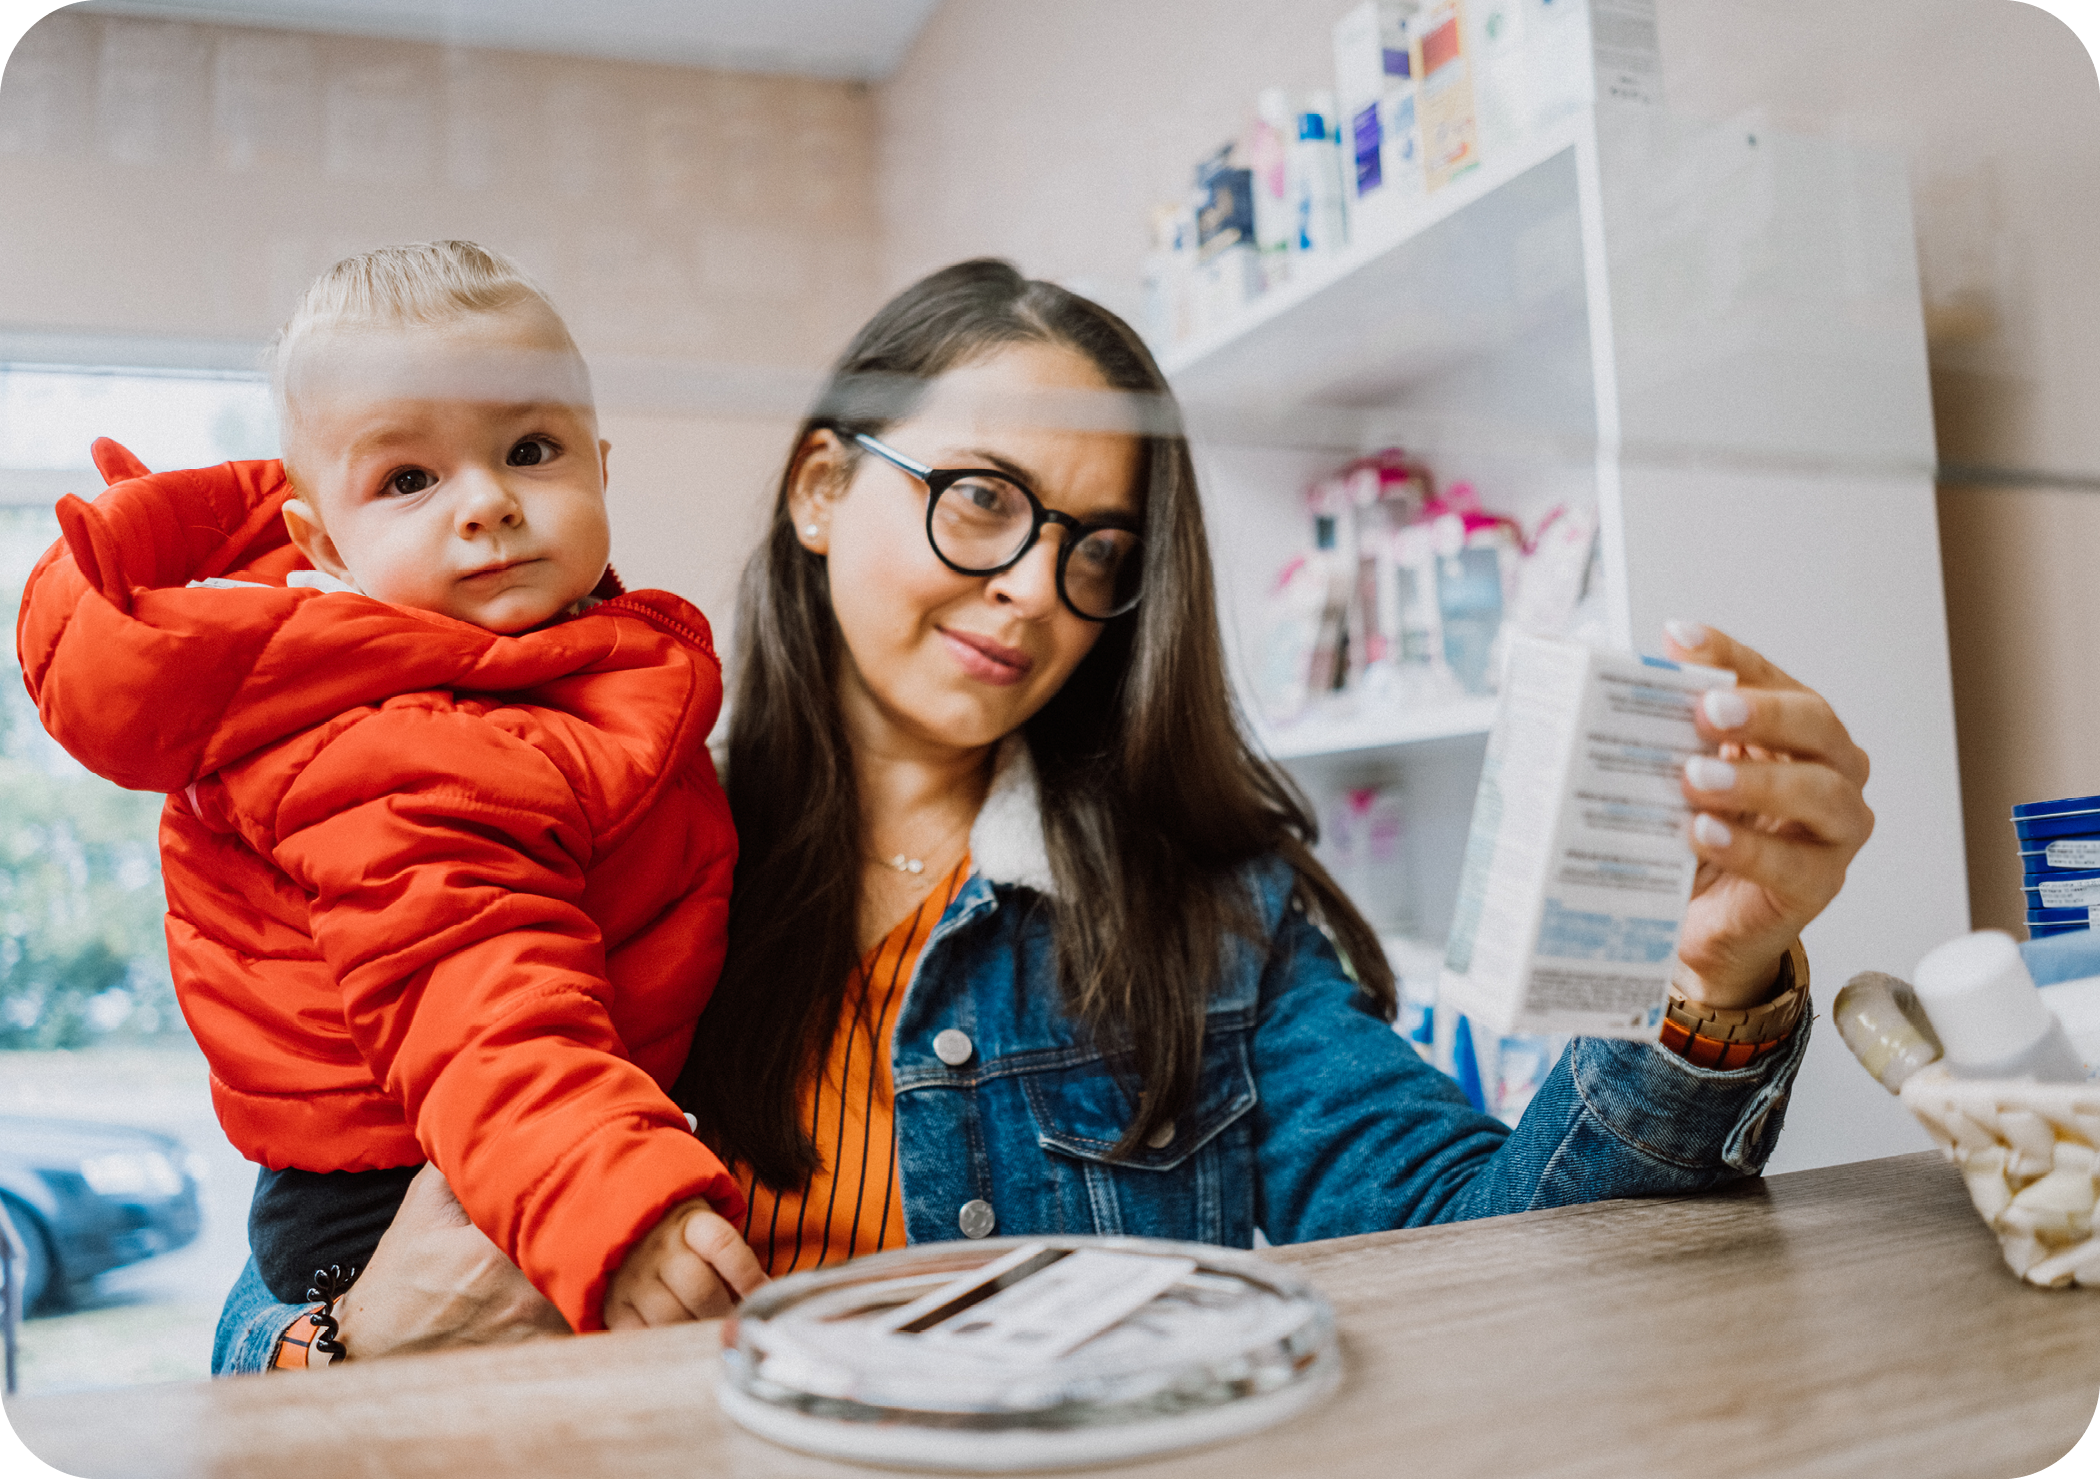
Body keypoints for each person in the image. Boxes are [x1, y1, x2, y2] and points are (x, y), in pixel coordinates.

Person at [212, 258, 1873, 1370]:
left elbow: (1510, 1255)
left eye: (1096, 548)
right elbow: (270, 1310)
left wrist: (1709, 983)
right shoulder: (579, 846)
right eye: (982, 500)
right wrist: (347, 1335)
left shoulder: (1210, 916)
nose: (1034, 589)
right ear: (821, 487)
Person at [17, 241, 768, 1355]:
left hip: (521, 1128)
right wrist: (619, 1200)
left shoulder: (542, 673)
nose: (489, 505)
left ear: (601, 469)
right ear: (324, 543)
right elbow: (472, 989)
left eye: (530, 449)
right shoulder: (396, 735)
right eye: (409, 479)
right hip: (423, 1184)